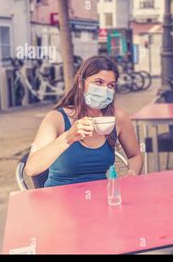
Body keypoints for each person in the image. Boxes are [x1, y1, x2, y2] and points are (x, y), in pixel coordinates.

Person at [25, 56, 143, 187]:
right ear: (81, 83)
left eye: (110, 85)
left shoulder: (118, 117)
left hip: (100, 197)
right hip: (59, 199)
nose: (105, 90)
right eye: (98, 82)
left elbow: (135, 155)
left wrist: (132, 173)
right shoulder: (56, 118)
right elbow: (31, 168)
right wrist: (68, 138)